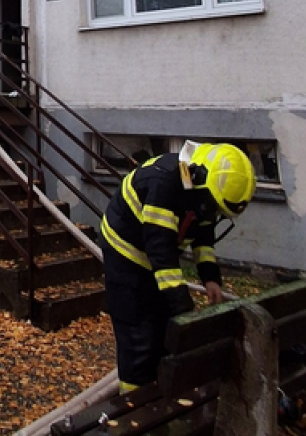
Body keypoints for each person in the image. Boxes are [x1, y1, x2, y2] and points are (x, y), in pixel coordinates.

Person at [99, 141, 255, 394]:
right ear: (198, 177)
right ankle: (133, 406)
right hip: (125, 252)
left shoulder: (203, 191)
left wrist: (210, 278)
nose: (213, 213)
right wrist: (184, 308)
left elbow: (203, 236)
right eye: (213, 208)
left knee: (162, 328)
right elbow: (161, 253)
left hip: (155, 254)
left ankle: (158, 390)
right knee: (138, 336)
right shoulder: (164, 184)